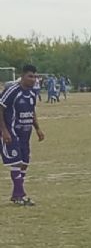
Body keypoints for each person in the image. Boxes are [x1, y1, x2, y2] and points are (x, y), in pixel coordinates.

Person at [0, 64, 46, 206]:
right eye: (30, 76)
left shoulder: (33, 92)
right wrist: (4, 131)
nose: (33, 79)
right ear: (22, 76)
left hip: (25, 134)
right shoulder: (12, 90)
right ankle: (20, 195)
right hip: (11, 132)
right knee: (17, 162)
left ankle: (16, 194)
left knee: (24, 164)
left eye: (35, 76)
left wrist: (37, 128)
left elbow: (32, 111)